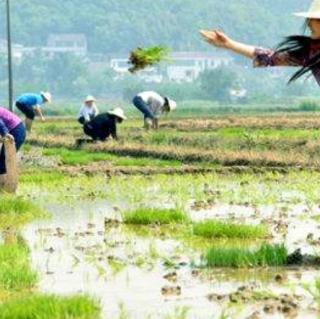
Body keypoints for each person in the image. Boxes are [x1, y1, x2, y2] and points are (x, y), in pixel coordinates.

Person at [200, 0, 320, 88]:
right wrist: (229, 44)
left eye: (313, 19)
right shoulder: (311, 53)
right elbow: (269, 58)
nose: (308, 23)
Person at [0, 107, 26, 188]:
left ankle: (6, 187)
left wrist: (5, 133)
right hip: (12, 129)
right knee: (2, 159)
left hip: (16, 129)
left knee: (4, 159)